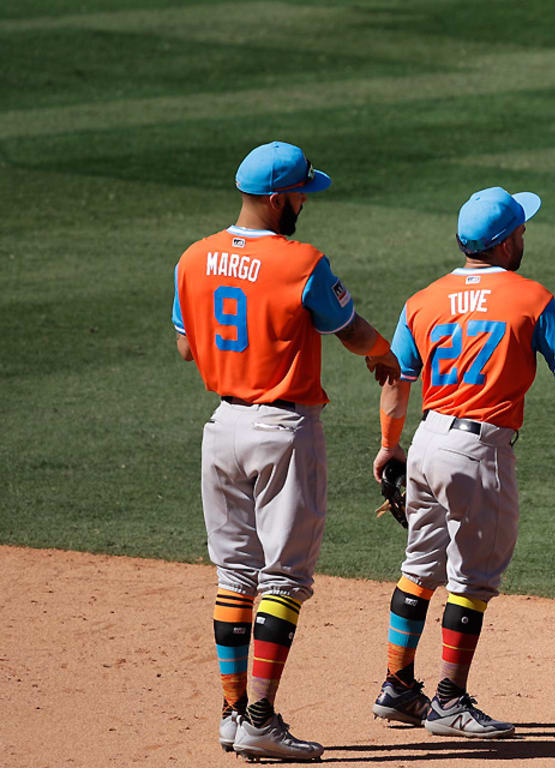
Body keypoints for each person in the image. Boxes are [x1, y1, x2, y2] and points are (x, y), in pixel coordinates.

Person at [172, 141, 400, 761]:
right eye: (301, 192)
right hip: (283, 430)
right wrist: (384, 352)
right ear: (277, 198)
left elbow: (188, 349)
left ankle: (230, 713)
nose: (304, 201)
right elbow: (349, 330)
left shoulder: (192, 258)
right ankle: (262, 720)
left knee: (234, 574)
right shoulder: (300, 260)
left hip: (221, 427)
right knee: (284, 577)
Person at [365, 186, 555, 739]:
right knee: (473, 580)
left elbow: (396, 382)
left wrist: (390, 445)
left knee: (420, 568)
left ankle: (397, 685)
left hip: (428, 443)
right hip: (478, 451)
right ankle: (449, 700)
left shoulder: (423, 299)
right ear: (505, 244)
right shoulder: (531, 298)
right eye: (521, 230)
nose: (526, 236)